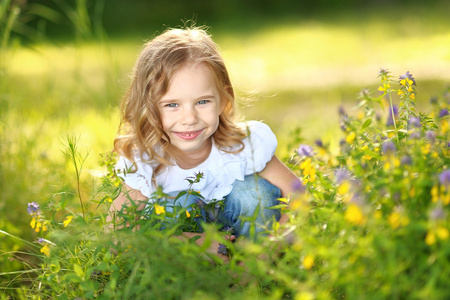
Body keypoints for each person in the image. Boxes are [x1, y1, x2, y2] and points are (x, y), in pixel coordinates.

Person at [108, 26, 300, 259]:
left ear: (223, 102)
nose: (189, 119)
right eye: (172, 105)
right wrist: (183, 242)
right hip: (188, 267)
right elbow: (115, 233)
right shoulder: (146, 161)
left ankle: (252, 276)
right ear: (147, 109)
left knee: (253, 193)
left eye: (202, 102)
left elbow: (300, 197)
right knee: (174, 206)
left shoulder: (244, 146)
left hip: (255, 255)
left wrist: (268, 252)